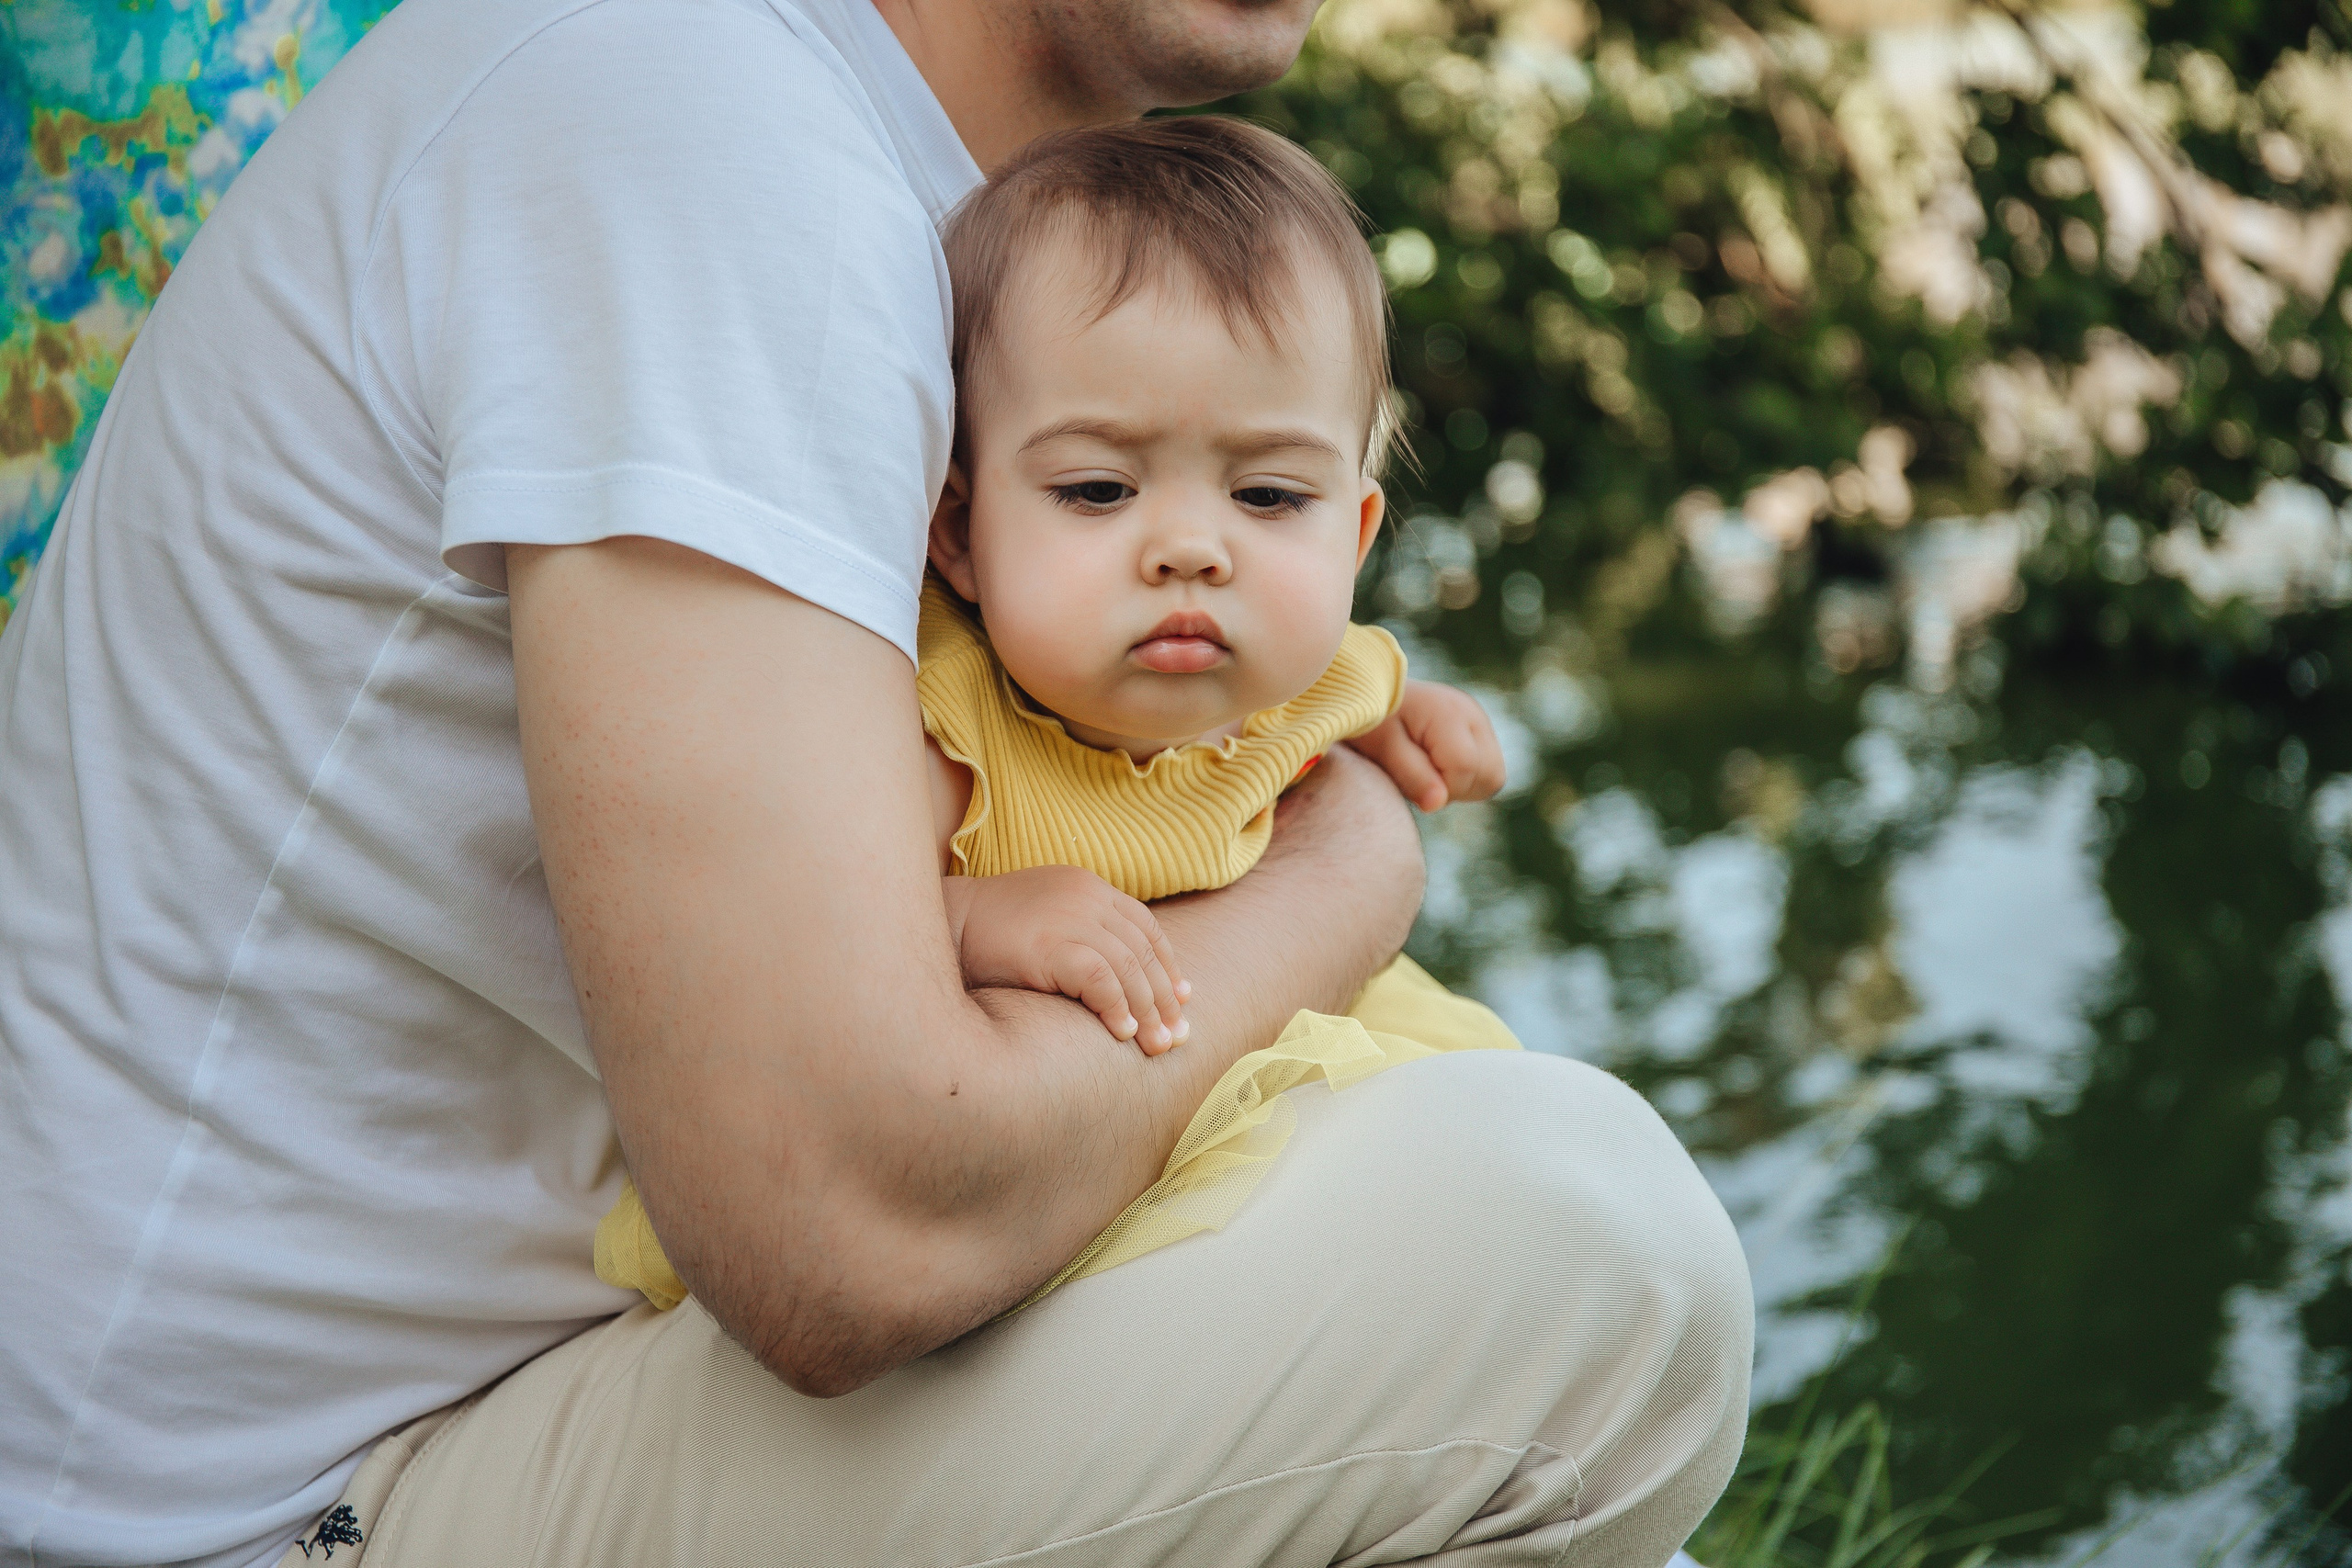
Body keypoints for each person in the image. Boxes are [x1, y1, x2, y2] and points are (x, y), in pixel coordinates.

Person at [0, 3, 1753, 1568]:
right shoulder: (710, 139)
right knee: (1573, 1246)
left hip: (479, 1378)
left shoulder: (902, 192)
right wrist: (1345, 865)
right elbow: (853, 1220)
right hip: (237, 1500)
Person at [596, 116, 1528, 1316]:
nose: (1192, 548)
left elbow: (1347, 689)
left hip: (1240, 1048)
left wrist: (1406, 718)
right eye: (1098, 489)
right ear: (957, 535)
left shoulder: (1306, 675)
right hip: (1036, 1142)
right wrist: (978, 914)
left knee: (1495, 1160)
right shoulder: (941, 732)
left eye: (1268, 495)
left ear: (1352, 534)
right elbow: (795, 953)